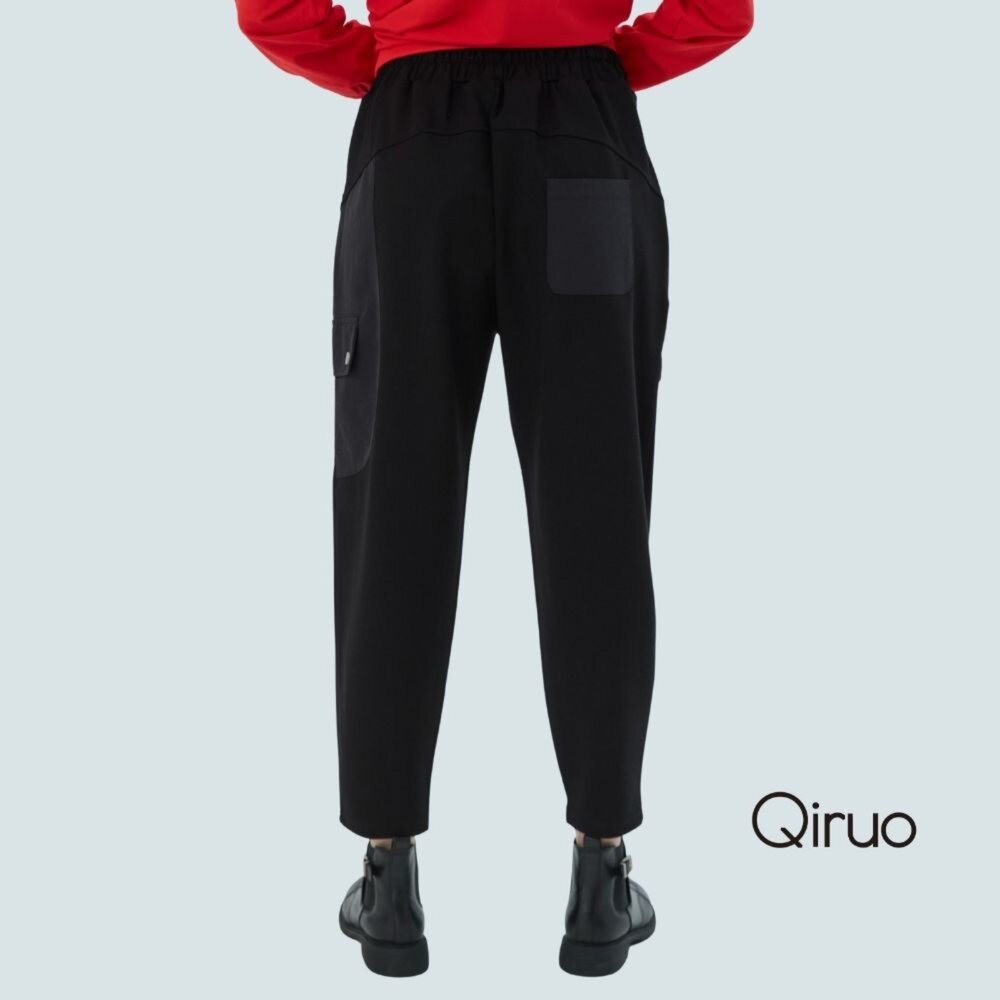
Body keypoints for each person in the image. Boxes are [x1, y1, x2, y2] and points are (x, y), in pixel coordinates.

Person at [235, 0, 753, 978]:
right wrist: (607, 62)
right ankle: (600, 873)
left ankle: (388, 875)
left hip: (412, 146)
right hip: (581, 134)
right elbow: (720, 11)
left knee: (393, 497)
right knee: (596, 501)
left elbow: (269, 10)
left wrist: (385, 59)